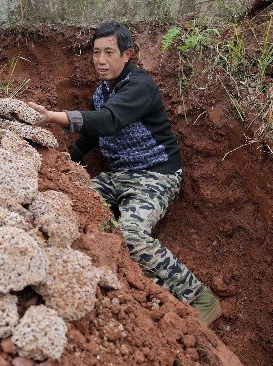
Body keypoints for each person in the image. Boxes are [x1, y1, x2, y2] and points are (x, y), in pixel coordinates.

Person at [29, 21, 222, 324]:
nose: (101, 60)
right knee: (70, 201)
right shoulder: (101, 92)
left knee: (130, 233)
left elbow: (109, 121)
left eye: (109, 52)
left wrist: (58, 117)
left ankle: (200, 297)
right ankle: (143, 288)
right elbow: (94, 135)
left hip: (156, 176)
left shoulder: (140, 86)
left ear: (127, 54)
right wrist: (65, 162)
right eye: (95, 53)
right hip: (118, 176)